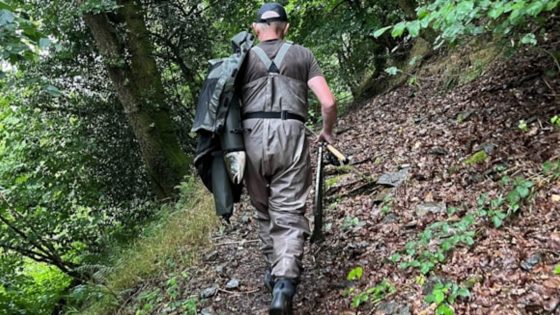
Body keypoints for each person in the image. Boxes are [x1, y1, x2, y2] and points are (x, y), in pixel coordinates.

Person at [238, 3, 337, 314]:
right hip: (291, 135)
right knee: (290, 211)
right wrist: (327, 132)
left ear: (257, 28)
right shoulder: (302, 55)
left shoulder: (244, 58)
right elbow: (329, 102)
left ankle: (274, 269)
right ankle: (284, 283)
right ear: (287, 27)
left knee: (264, 209)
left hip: (250, 137)